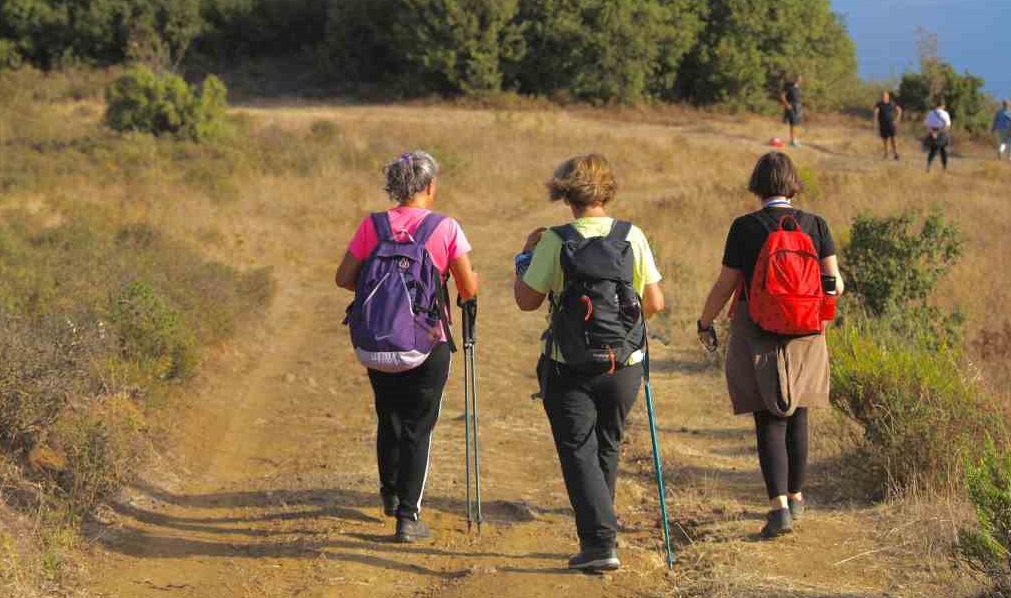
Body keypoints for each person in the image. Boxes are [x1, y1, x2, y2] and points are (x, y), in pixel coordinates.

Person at [514, 154, 666, 571]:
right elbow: (654, 302)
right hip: (625, 364)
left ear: (565, 191)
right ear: (607, 189)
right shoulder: (631, 235)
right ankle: (602, 531)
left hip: (569, 364)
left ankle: (600, 544)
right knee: (607, 445)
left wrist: (524, 258)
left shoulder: (555, 240)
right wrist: (618, 328)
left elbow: (526, 301)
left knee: (578, 450)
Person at [695, 152, 843, 539]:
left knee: (768, 416)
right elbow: (835, 284)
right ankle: (796, 497)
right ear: (793, 183)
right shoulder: (816, 225)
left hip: (756, 325)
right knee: (799, 413)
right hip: (808, 329)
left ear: (757, 184)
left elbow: (726, 284)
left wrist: (705, 320)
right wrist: (817, 312)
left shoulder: (745, 227)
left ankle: (778, 508)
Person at [336, 151, 479, 543]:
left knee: (389, 416)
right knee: (419, 426)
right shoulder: (445, 227)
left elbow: (344, 278)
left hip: (377, 340)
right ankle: (408, 516)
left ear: (394, 186)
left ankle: (390, 492)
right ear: (430, 186)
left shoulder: (373, 225)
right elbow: (468, 289)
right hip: (426, 342)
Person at [872, 91, 902, 161]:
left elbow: (899, 110)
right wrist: (875, 122)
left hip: (891, 124)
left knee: (893, 139)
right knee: (885, 140)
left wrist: (897, 120)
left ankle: (896, 154)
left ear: (888, 96)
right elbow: (876, 112)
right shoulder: (879, 104)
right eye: (883, 96)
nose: (884, 97)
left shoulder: (892, 103)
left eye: (885, 96)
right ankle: (886, 154)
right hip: (882, 124)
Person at [923, 100, 952, 172]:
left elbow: (926, 124)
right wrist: (939, 132)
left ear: (936, 105)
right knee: (943, 151)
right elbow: (947, 126)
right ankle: (944, 167)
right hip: (942, 133)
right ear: (942, 106)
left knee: (933, 150)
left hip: (932, 132)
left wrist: (933, 132)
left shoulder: (930, 113)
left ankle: (928, 165)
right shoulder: (945, 113)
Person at [780, 75, 804, 147]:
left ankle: (793, 140)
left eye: (800, 79)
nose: (798, 80)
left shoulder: (798, 88)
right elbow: (782, 96)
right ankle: (793, 141)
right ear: (794, 79)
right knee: (793, 123)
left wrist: (800, 107)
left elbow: (798, 98)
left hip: (797, 107)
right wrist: (787, 104)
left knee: (795, 124)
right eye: (797, 79)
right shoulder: (789, 87)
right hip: (791, 107)